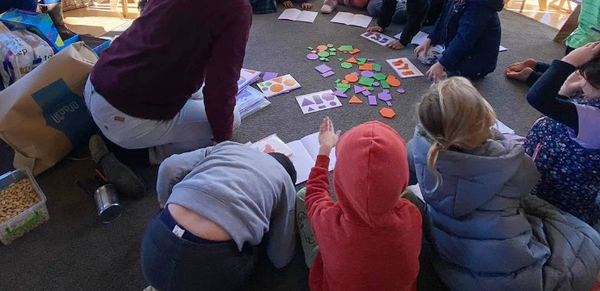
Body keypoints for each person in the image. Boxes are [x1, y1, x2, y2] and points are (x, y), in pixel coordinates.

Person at [84, 0, 264, 180]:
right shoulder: (237, 7)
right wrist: (224, 143)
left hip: (97, 81)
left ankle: (111, 135)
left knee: (196, 92)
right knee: (234, 120)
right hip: (125, 118)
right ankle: (137, 156)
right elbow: (221, 84)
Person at [407, 77, 600, 291]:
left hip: (447, 255)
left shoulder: (418, 146)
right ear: (484, 121)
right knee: (589, 241)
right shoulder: (510, 160)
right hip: (505, 274)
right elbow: (530, 180)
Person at [140, 142, 297, 291]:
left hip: (153, 248)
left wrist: (163, 204)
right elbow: (280, 257)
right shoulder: (285, 183)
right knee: (257, 250)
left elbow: (169, 167)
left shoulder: (229, 147)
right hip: (209, 267)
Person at [296, 118, 422, 291]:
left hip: (332, 276)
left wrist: (324, 150)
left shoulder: (328, 221)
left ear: (340, 176)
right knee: (407, 197)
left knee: (302, 196)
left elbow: (314, 192)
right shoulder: (412, 215)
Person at [524, 43, 600, 226]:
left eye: (586, 81)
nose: (581, 83)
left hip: (555, 195)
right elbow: (553, 117)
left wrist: (569, 61)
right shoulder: (590, 103)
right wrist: (565, 90)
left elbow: (538, 97)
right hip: (545, 172)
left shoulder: (594, 118)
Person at [415, 0, 504, 81]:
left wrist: (442, 64)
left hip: (477, 59)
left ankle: (454, 71)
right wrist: (430, 39)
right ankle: (448, 64)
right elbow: (443, 18)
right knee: (423, 54)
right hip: (461, 45)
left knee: (445, 74)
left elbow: (464, 40)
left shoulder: (479, 8)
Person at [506, 0, 600, 85]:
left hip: (577, 40)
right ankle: (531, 76)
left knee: (568, 71)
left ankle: (537, 66)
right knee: (576, 84)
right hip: (593, 48)